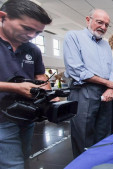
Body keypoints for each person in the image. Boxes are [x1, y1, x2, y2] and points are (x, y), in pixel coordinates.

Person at [0, 0, 52, 168]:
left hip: (25, 116)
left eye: (38, 32)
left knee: (23, 158)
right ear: (3, 17)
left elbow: (40, 75)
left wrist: (48, 94)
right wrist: (15, 87)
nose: (32, 36)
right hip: (1, 118)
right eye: (27, 28)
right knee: (13, 164)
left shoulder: (32, 49)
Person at [63, 9, 113, 158]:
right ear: (88, 20)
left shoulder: (106, 45)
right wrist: (108, 83)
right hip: (83, 90)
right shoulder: (73, 37)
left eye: (107, 25)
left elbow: (112, 69)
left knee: (104, 132)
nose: (103, 27)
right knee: (84, 134)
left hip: (106, 93)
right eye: (100, 22)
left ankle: (100, 164)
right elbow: (76, 69)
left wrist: (110, 88)